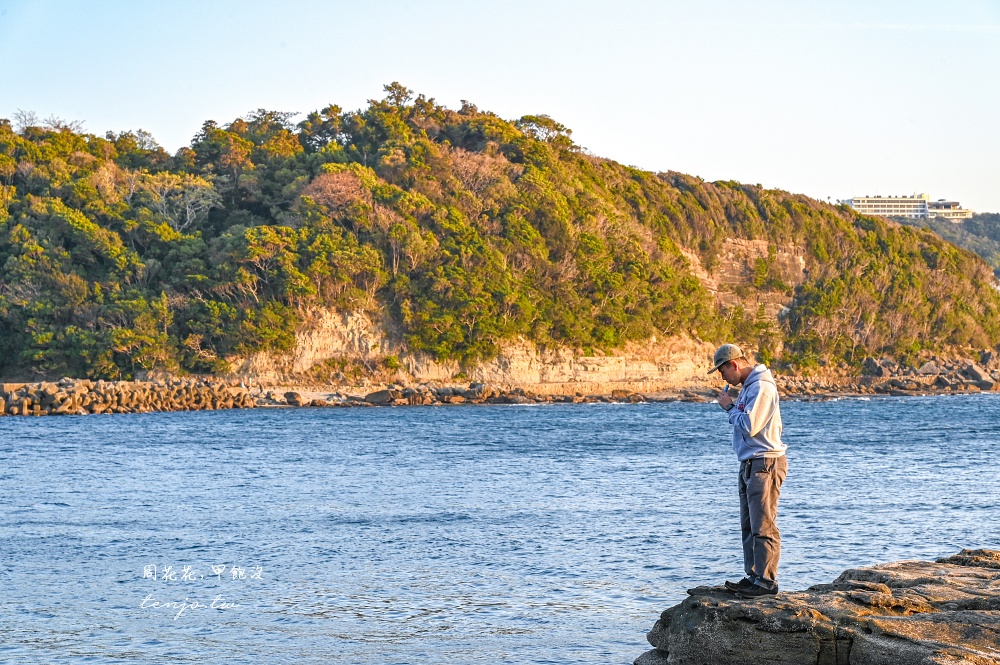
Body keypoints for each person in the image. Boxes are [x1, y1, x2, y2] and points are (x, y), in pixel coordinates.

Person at [708, 343, 787, 598]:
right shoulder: (748, 388)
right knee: (749, 524)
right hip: (751, 463)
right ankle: (753, 575)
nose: (722, 377)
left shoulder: (762, 386)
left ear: (735, 364)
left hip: (765, 462)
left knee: (763, 524)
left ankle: (766, 582)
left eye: (722, 371)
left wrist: (729, 408)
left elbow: (750, 426)